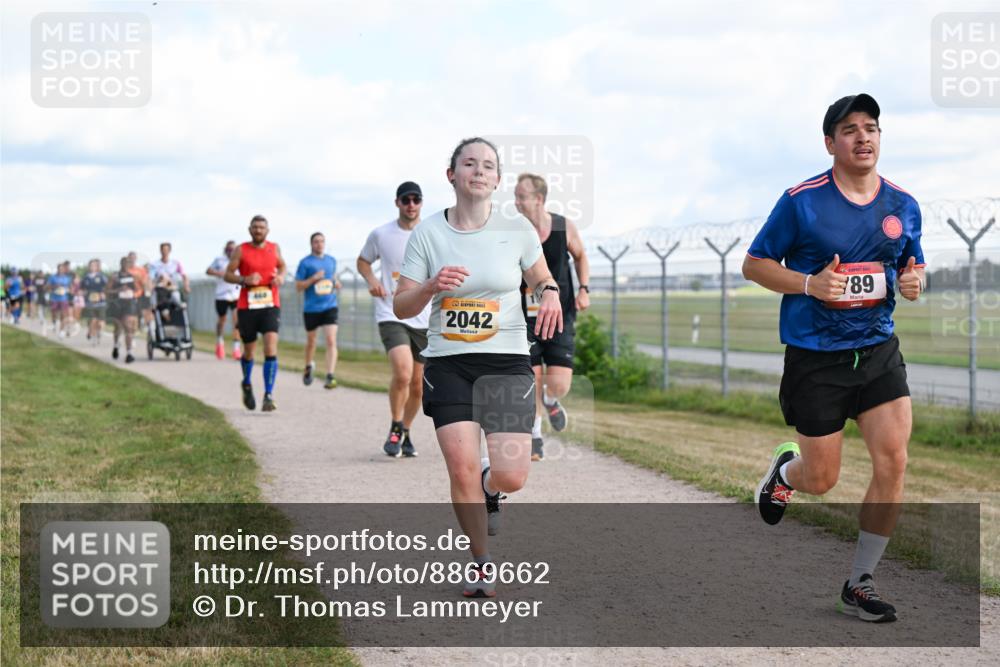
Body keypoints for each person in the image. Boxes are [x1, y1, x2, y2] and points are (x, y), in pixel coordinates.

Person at [743, 94, 924, 624]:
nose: (863, 137)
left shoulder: (903, 205)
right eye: (850, 129)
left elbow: (911, 267)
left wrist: (914, 282)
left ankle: (860, 581)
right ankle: (785, 473)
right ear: (830, 143)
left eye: (871, 128)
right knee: (822, 479)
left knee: (894, 460)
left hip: (877, 350)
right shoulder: (801, 201)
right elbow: (754, 265)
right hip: (815, 357)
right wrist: (809, 284)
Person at [394, 137, 562, 597]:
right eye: (469, 163)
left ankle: (494, 489)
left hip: (506, 362)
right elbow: (403, 304)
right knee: (462, 469)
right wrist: (430, 287)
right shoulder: (428, 233)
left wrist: (549, 292)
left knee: (512, 475)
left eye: (488, 165)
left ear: (497, 179)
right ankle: (481, 563)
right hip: (449, 362)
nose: (479, 170)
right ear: (452, 175)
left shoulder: (518, 229)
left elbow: (541, 275)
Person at [514, 173, 591, 461]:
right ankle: (535, 436)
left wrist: (584, 289)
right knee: (529, 378)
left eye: (522, 196)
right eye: (515, 196)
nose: (516, 202)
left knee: (558, 383)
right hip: (525, 318)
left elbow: (582, 256)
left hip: (560, 314)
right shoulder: (514, 232)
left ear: (539, 199)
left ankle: (551, 399)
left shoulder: (563, 227)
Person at [357, 181, 431, 458]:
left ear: (421, 203)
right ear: (397, 203)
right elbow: (363, 261)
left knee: (418, 384)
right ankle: (395, 426)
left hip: (424, 317)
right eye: (406, 200)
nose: (411, 204)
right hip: (391, 311)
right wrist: (373, 279)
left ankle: (406, 430)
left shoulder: (432, 233)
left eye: (416, 199)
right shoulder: (381, 234)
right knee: (402, 373)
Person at [225, 215, 286, 412]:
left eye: (262, 227)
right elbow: (227, 274)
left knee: (270, 347)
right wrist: (244, 279)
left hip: (270, 304)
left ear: (267, 231)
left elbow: (282, 265)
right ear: (249, 230)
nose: (258, 230)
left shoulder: (274, 248)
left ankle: (268, 395)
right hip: (247, 307)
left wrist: (281, 277)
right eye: (255, 227)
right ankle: (247, 383)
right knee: (249, 351)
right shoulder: (241, 250)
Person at [294, 232, 341, 389]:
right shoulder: (305, 263)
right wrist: (313, 279)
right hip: (312, 308)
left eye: (321, 241)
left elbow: (333, 278)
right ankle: (308, 366)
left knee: (331, 340)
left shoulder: (331, 260)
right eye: (316, 241)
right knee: (312, 341)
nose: (319, 244)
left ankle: (330, 375)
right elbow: (298, 287)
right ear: (311, 244)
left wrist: (336, 283)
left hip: (330, 305)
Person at [206, 241, 242, 360]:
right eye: (229, 249)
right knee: (222, 320)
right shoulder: (219, 260)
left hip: (236, 294)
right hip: (221, 295)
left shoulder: (239, 260)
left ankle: (236, 348)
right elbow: (208, 270)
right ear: (225, 250)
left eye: (233, 249)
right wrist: (218, 273)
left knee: (237, 320)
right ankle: (220, 342)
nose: (231, 252)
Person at [108, 257, 140, 363]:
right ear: (121, 264)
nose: (126, 265)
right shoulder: (115, 276)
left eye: (128, 263)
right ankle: (116, 345)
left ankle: (129, 353)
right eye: (124, 263)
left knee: (128, 327)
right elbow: (107, 290)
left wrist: (132, 290)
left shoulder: (132, 277)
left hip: (129, 303)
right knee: (118, 327)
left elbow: (137, 289)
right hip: (117, 303)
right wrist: (118, 290)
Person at [81, 259, 109, 343]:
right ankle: (92, 333)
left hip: (101, 303)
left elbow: (108, 287)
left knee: (101, 323)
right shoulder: (85, 277)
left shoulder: (102, 277)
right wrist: (82, 293)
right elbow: (81, 288)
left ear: (97, 267)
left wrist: (104, 293)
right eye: (91, 265)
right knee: (92, 320)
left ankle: (98, 331)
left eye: (94, 265)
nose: (92, 267)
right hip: (89, 303)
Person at [126, 252, 153, 332]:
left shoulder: (140, 270)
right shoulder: (125, 270)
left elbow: (145, 281)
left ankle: (146, 324)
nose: (132, 259)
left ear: (136, 258)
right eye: (130, 258)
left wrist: (147, 291)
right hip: (128, 295)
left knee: (144, 310)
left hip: (140, 294)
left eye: (134, 257)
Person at [46, 262, 74, 337]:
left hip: (63, 299)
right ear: (57, 269)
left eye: (62, 269)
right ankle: (54, 323)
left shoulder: (67, 278)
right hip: (54, 298)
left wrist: (70, 290)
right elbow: (47, 287)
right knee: (54, 313)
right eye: (59, 268)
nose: (61, 270)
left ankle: (62, 331)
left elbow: (71, 288)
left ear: (64, 270)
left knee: (63, 315)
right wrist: (54, 286)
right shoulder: (52, 277)